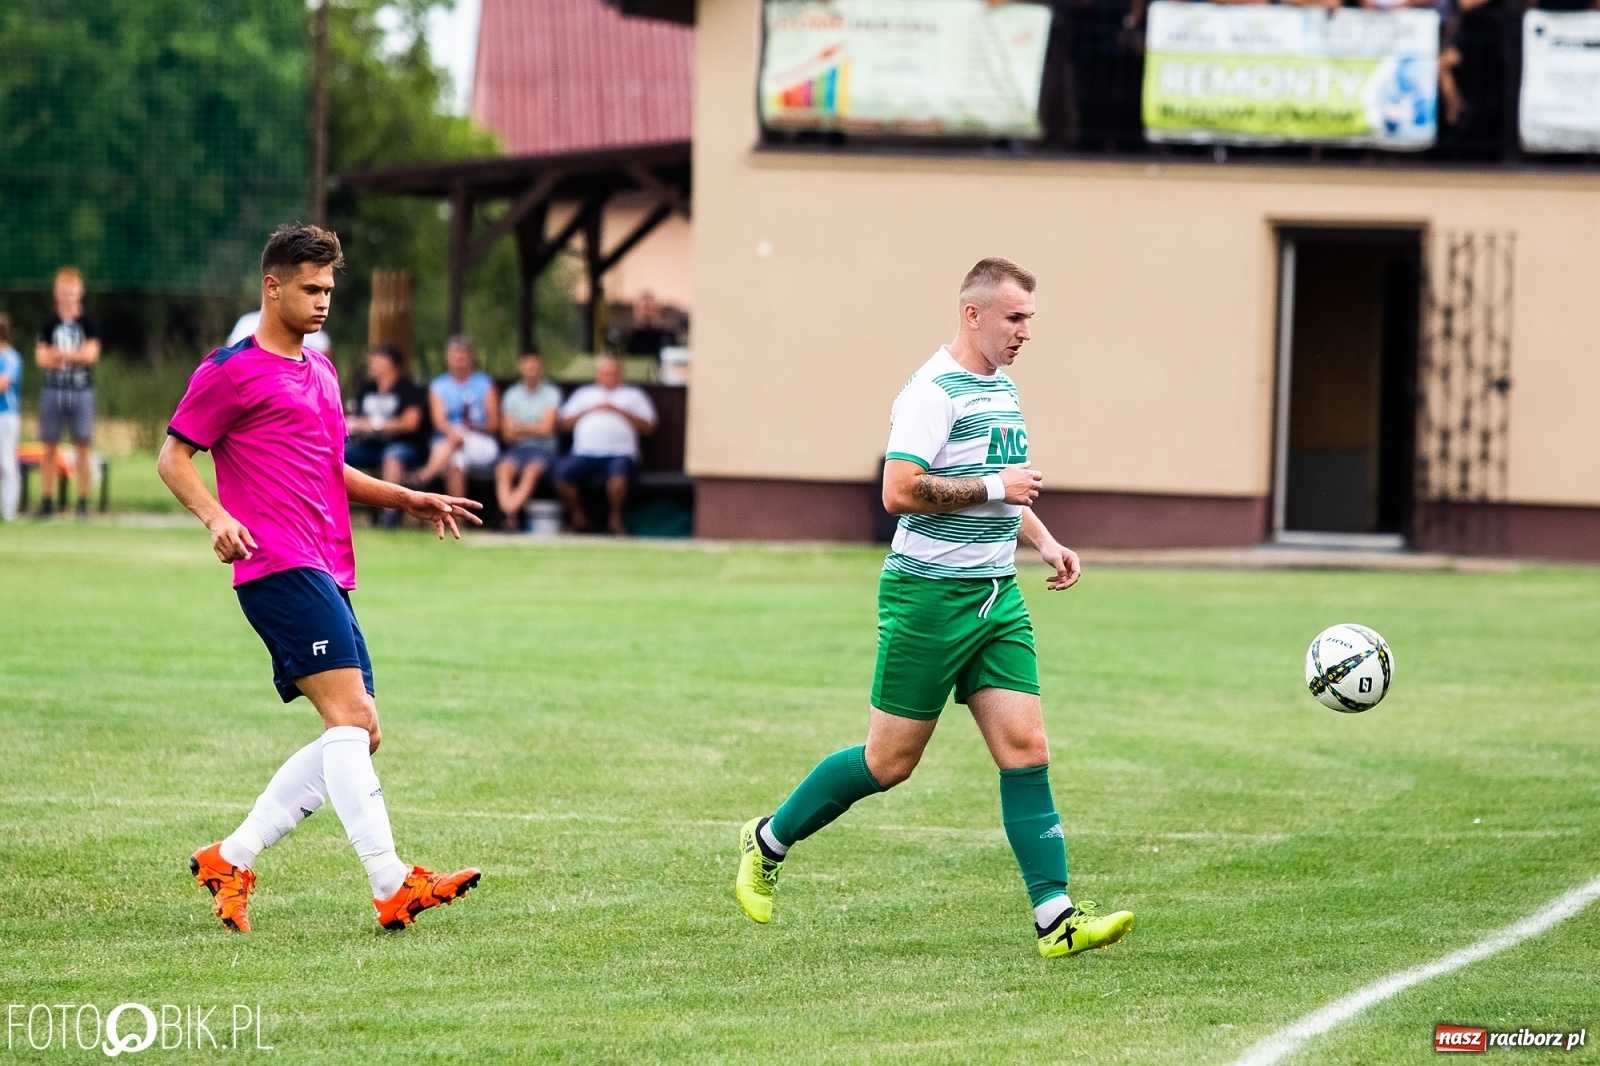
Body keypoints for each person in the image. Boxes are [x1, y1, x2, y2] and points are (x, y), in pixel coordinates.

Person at [733, 258, 1135, 960]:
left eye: (1030, 320)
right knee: (889, 763)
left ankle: (1056, 918)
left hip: (994, 596)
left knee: (1026, 748)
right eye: (1014, 318)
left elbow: (1007, 490)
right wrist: (992, 486)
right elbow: (898, 491)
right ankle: (768, 839)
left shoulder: (1002, 388)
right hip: (926, 597)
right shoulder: (931, 392)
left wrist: (1043, 539)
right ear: (973, 315)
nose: (1025, 333)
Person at [158, 224, 484, 933]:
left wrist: (410, 496)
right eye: (310, 288)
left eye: (330, 290)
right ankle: (390, 882)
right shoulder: (229, 370)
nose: (323, 301)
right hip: (274, 564)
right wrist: (215, 517)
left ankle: (231, 855)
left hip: (327, 564)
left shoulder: (324, 373)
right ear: (271, 285)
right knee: (351, 720)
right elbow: (174, 457)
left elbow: (326, 471)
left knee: (361, 733)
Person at [552, 354, 656, 534]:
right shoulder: (584, 394)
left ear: (621, 374)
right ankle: (578, 518)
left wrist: (619, 411)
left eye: (613, 372)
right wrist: (590, 410)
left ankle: (615, 520)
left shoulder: (634, 395)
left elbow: (649, 428)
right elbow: (563, 424)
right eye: (605, 372)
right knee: (561, 473)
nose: (609, 376)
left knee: (618, 477)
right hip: (584, 453)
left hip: (620, 453)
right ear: (598, 374)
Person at [35, 267, 100, 518]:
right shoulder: (49, 323)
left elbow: (90, 355)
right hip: (53, 389)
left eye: (72, 291)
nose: (68, 296)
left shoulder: (89, 322)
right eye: (63, 291)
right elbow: (41, 358)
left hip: (81, 390)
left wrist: (60, 355)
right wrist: (75, 356)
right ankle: (47, 500)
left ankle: (82, 502)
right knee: (49, 446)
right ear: (56, 293)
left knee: (82, 445)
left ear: (80, 292)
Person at [345, 345, 428, 528]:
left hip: (403, 444)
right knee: (336, 454)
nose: (370, 364)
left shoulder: (408, 389)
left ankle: (390, 516)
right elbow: (355, 417)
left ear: (389, 362)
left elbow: (411, 423)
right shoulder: (367, 388)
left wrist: (375, 425)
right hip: (368, 445)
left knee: (392, 456)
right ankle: (330, 511)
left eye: (375, 359)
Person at [415, 335, 500, 501]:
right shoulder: (438, 386)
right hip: (447, 443)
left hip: (481, 441)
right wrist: (456, 433)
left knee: (457, 442)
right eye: (455, 357)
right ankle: (457, 518)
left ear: (471, 358)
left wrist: (471, 428)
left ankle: (423, 477)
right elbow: (440, 423)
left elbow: (494, 424)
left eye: (463, 356)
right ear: (448, 359)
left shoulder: (486, 384)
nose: (459, 361)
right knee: (456, 460)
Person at [494, 350, 563, 531]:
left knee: (531, 471)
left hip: (544, 450)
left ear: (541, 369)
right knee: (503, 469)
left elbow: (547, 430)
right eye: (527, 367)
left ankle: (508, 513)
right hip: (517, 449)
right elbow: (507, 434)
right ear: (521, 368)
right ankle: (510, 512)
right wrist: (534, 426)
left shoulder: (551, 393)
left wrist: (519, 426)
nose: (531, 371)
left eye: (535, 367)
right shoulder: (512, 394)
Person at [0, 314, 20, 522]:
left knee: (6, 462)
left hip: (5, 415)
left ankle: (9, 510)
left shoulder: (11, 357)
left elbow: (4, 384)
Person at [624, 291, 673, 358]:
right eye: (644, 308)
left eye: (649, 308)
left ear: (657, 310)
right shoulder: (628, 338)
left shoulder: (667, 337)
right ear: (636, 309)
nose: (646, 313)